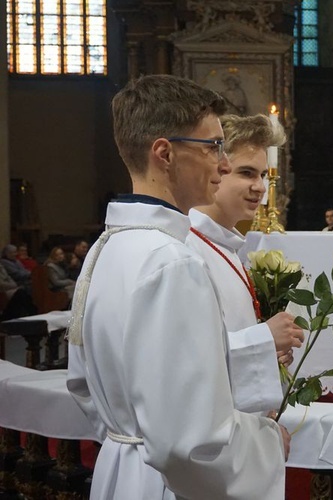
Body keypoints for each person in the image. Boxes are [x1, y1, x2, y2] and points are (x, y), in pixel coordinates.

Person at [66, 74, 289, 500]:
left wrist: (127, 440)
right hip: (169, 486)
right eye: (213, 148)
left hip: (124, 470)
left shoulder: (107, 247)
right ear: (165, 153)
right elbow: (191, 446)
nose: (222, 164)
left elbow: (81, 384)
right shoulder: (173, 261)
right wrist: (267, 444)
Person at [187, 113, 304, 413]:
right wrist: (265, 337)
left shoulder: (223, 245)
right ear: (217, 169)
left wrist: (269, 352)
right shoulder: (187, 249)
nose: (261, 187)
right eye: (247, 173)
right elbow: (186, 359)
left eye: (263, 175)